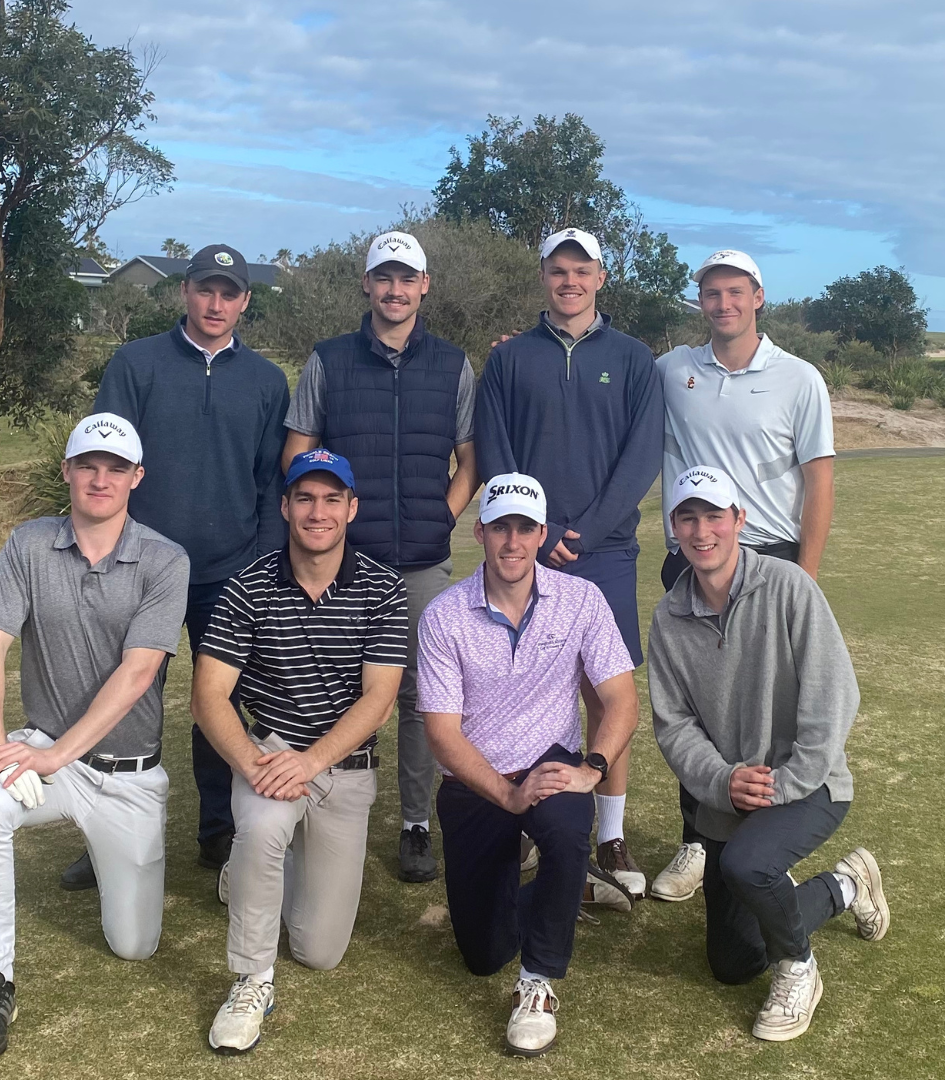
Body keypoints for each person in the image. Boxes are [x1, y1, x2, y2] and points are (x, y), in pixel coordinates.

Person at [0, 414, 189, 1058]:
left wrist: (55, 753)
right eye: (88, 465)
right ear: (67, 471)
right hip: (48, 756)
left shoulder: (166, 559)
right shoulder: (29, 544)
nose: (100, 479)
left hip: (128, 772)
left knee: (134, 945)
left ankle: (102, 851)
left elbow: (139, 672)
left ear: (137, 478)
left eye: (116, 469)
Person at [647, 466, 889, 1043]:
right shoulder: (667, 619)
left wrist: (783, 784)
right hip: (730, 793)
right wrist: (725, 780)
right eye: (688, 517)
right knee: (732, 963)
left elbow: (834, 695)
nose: (702, 531)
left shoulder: (788, 585)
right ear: (674, 528)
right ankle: (848, 885)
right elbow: (674, 725)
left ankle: (799, 968)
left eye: (714, 516)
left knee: (746, 865)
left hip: (811, 784)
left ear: (739, 520)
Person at [81, 244, 289, 885]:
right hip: (140, 564)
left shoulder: (266, 381)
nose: (216, 303)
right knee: (121, 696)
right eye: (205, 289)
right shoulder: (136, 363)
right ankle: (101, 831)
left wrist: (257, 562)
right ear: (185, 292)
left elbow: (268, 484)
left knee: (217, 701)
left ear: (245, 301)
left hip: (228, 570)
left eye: (229, 293)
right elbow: (106, 464)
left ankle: (218, 832)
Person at [418, 473, 640, 1057]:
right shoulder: (443, 616)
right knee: (482, 954)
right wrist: (507, 795)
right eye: (499, 528)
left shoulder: (581, 600)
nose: (512, 543)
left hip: (552, 761)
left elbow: (621, 700)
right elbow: (442, 733)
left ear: (542, 534)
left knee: (568, 830)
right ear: (479, 533)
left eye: (524, 528)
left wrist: (592, 768)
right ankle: (575, 893)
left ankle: (538, 983)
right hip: (476, 778)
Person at [281, 230, 478, 884]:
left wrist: (441, 514)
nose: (395, 290)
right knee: (341, 690)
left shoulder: (452, 365)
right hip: (346, 563)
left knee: (424, 696)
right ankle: (329, 808)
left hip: (422, 562)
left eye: (407, 278)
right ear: (366, 285)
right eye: (383, 278)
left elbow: (469, 459)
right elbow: (298, 453)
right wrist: (324, 525)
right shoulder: (329, 360)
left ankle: (416, 823)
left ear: (424, 287)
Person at [194, 450, 407, 1054]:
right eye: (305, 499)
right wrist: (257, 765)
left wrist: (311, 764)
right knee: (262, 827)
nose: (319, 512)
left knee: (320, 951)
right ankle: (250, 980)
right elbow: (208, 697)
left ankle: (253, 870)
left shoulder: (383, 588)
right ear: (285, 506)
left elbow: (379, 700)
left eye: (332, 499)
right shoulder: (248, 585)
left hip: (342, 768)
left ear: (352, 508)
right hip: (271, 752)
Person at [473, 227, 663, 900]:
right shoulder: (510, 358)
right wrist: (535, 532)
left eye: (582, 271)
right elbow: (494, 449)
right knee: (517, 685)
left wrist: (585, 532)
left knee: (603, 691)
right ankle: (527, 818)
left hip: (603, 554)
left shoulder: (635, 359)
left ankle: (607, 833)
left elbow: (641, 457)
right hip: (525, 552)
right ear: (545, 277)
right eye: (559, 270)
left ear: (601, 279)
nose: (570, 281)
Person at [646, 249, 837, 905]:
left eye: (735, 292)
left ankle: (767, 840)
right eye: (710, 293)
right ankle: (699, 839)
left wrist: (802, 581)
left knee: (766, 706)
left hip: (771, 557)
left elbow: (819, 481)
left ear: (758, 297)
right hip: (693, 550)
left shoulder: (799, 378)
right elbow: (600, 380)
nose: (722, 304)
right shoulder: (673, 370)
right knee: (698, 701)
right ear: (699, 302)